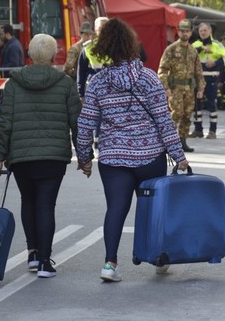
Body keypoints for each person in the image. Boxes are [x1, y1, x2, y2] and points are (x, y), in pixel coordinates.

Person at [76, 18, 190, 282]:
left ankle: (109, 263)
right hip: (150, 157)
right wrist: (178, 156)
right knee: (153, 208)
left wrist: (84, 158)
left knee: (115, 208)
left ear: (103, 47)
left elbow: (86, 124)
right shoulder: (149, 79)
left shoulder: (98, 83)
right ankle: (159, 256)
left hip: (113, 159)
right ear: (131, 44)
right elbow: (164, 120)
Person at [0, 34, 82, 279]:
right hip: (53, 158)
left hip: (21, 158)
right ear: (53, 56)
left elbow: (5, 124)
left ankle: (32, 253)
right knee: (46, 205)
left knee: (28, 201)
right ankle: (44, 262)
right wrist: (85, 156)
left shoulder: (14, 83)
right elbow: (76, 124)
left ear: (29, 55)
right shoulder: (65, 83)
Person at [157, 19, 204, 153]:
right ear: (178, 32)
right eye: (182, 31)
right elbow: (162, 69)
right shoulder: (171, 49)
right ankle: (168, 142)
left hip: (189, 89)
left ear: (190, 33)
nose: (184, 33)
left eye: (187, 31)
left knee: (187, 115)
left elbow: (198, 71)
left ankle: (182, 141)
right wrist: (165, 88)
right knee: (176, 114)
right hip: (175, 88)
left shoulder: (193, 51)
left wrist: (200, 88)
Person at [191, 22, 225, 138]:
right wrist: (201, 48)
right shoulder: (195, 44)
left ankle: (212, 131)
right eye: (201, 31)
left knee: (211, 104)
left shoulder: (217, 45)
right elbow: (188, 56)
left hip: (211, 78)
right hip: (197, 79)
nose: (203, 33)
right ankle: (198, 130)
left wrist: (215, 63)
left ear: (210, 31)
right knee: (197, 105)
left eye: (205, 30)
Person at [77, 16, 109, 99]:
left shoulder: (88, 47)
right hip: (113, 89)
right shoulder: (119, 46)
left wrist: (81, 94)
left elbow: (81, 72)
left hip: (94, 89)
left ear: (95, 30)